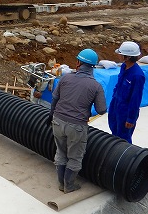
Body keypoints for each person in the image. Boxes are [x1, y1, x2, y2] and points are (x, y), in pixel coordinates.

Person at [46, 49, 107, 193]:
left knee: (61, 153)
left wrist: (50, 116)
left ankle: (61, 184)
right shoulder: (96, 86)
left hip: (58, 121)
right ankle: (69, 186)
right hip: (77, 126)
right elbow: (101, 110)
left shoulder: (66, 78)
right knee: (74, 157)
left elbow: (54, 99)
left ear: (79, 63)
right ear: (93, 66)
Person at [108, 41, 145, 144]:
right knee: (114, 132)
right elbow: (118, 85)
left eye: (121, 53)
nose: (118, 55)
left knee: (123, 138)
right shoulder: (124, 67)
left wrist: (131, 118)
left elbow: (136, 98)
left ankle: (125, 158)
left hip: (125, 111)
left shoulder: (137, 76)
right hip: (116, 105)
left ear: (127, 57)